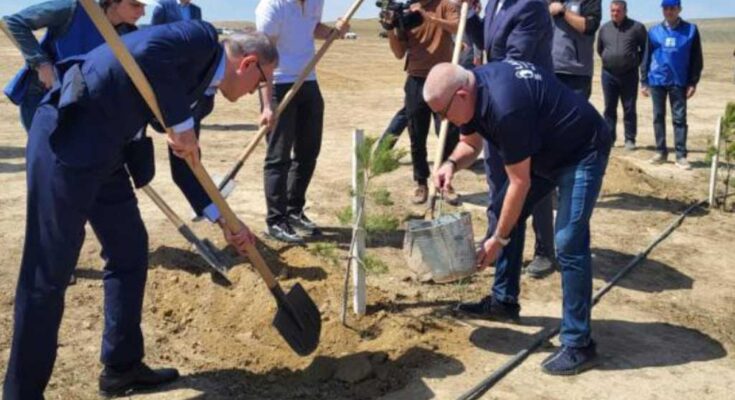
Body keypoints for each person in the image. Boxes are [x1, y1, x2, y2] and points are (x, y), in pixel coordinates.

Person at [2, 22, 277, 398]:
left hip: (109, 154)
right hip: (67, 138)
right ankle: (22, 393)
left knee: (130, 250)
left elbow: (186, 163)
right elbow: (146, 55)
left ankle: (121, 366)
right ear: (248, 64)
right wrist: (180, 125)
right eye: (262, 82)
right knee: (47, 273)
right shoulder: (197, 39)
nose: (255, 94)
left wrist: (223, 220)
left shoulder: (205, 95)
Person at [425, 61, 612, 375]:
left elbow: (519, 182)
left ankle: (580, 343)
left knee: (568, 240)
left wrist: (497, 240)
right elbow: (470, 143)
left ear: (460, 95)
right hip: (544, 151)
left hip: (582, 151)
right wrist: (451, 165)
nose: (442, 120)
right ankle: (504, 301)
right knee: (503, 214)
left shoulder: (504, 105)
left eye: (443, 113)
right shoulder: (472, 90)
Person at [464, 0, 558, 278]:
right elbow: (485, 40)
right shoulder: (495, 3)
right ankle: (496, 238)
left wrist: (480, 76)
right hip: (498, 97)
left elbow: (516, 57)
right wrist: (469, 14)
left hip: (526, 104)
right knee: (495, 175)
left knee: (531, 181)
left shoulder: (531, 6)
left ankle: (544, 251)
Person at [256, 0, 349, 243]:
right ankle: (276, 220)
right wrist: (267, 105)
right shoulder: (271, 6)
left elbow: (312, 26)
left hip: (308, 82)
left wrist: (332, 32)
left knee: (309, 152)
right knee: (278, 156)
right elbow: (261, 57)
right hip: (279, 83)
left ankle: (294, 210)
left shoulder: (316, 1)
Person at [2, 0, 155, 133]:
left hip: (82, 101)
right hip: (45, 93)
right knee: (49, 157)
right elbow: (15, 22)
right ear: (113, 1)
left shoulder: (128, 33)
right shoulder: (72, 9)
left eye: (143, 6)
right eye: (135, 5)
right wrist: (41, 63)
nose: (142, 12)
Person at [382, 0, 461, 205]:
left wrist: (429, 18)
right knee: (416, 134)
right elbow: (399, 53)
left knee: (448, 134)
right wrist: (391, 28)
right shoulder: (406, 12)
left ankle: (446, 181)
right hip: (416, 80)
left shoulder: (446, 5)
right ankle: (421, 183)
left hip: (443, 78)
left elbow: (458, 27)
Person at [641, 0, 703, 170]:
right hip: (657, 80)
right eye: (666, 8)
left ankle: (681, 155)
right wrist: (644, 81)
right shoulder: (654, 31)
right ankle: (661, 152)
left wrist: (693, 82)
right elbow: (646, 57)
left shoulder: (690, 30)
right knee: (658, 117)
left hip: (679, 81)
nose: (669, 11)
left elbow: (696, 59)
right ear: (662, 10)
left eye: (672, 8)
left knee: (679, 118)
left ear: (679, 9)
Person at [597, 0, 647, 150]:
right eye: (612, 11)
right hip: (608, 74)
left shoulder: (637, 28)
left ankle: (630, 140)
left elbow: (644, 51)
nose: (615, 13)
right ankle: (609, 139)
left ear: (625, 11)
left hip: (629, 74)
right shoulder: (604, 29)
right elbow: (600, 49)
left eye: (618, 11)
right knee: (609, 108)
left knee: (629, 108)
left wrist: (633, 62)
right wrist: (610, 58)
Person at [549, 0, 602, 99]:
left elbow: (589, 26)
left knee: (575, 113)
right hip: (548, 70)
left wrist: (563, 11)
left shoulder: (589, 2)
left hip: (575, 74)